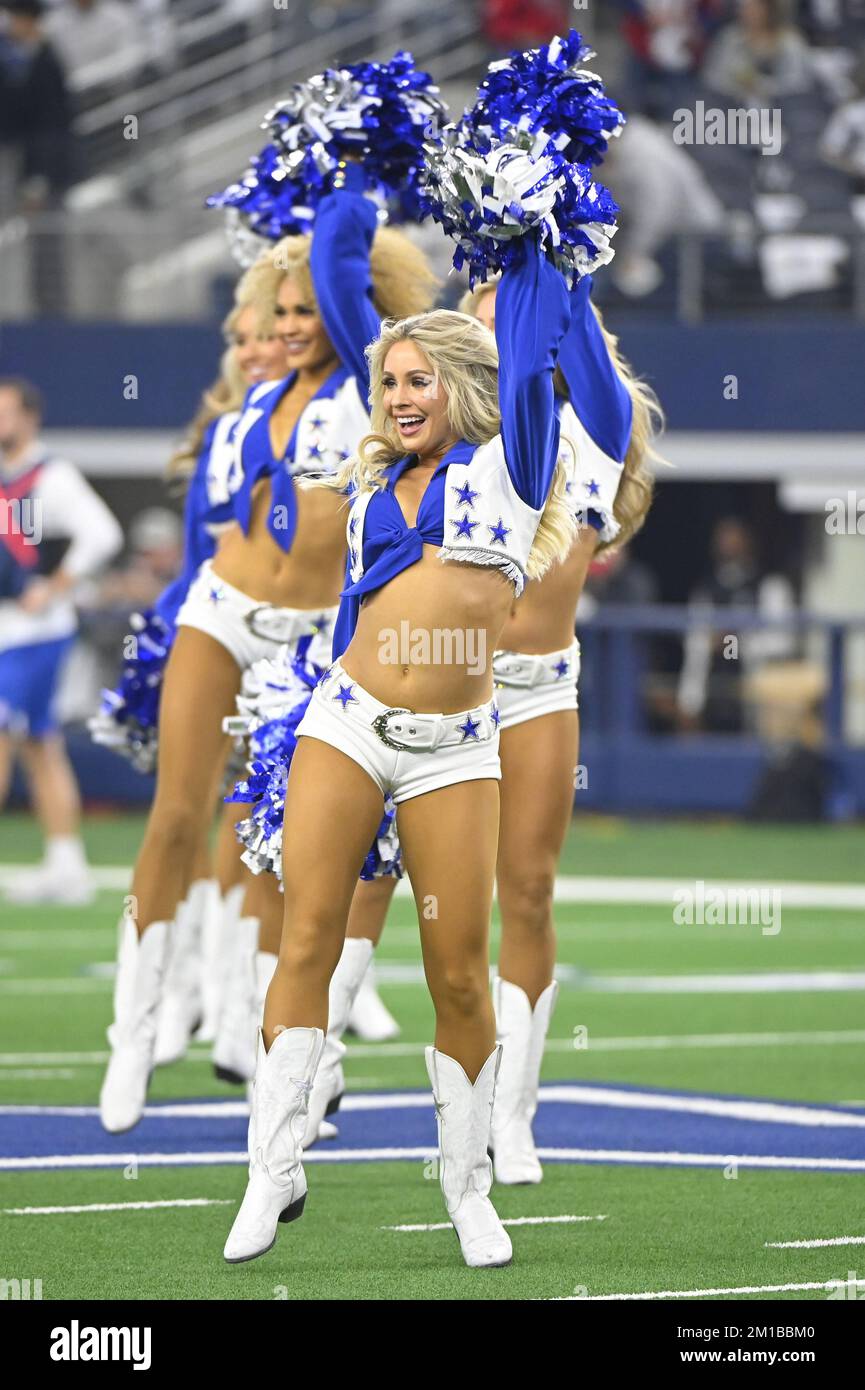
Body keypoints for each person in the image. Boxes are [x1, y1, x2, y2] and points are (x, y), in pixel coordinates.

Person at [223, 235, 577, 1270]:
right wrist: (344, 185)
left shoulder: (513, 461)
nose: (398, 395)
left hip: (456, 750)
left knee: (458, 975)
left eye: (419, 379)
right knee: (307, 939)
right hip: (347, 722)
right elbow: (339, 283)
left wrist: (530, 230)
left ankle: (465, 1188)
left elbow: (536, 339)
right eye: (387, 381)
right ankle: (271, 1165)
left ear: (466, 385)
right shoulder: (375, 473)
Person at [98, 163, 436, 1134]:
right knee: (175, 820)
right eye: (274, 309)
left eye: (304, 308)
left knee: (290, 855)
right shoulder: (254, 398)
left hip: (312, 648)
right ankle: (134, 1030)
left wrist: (351, 164)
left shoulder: (378, 382)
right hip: (222, 614)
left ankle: (277, 1049)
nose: (288, 325)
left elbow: (338, 254)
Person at [458, 273, 661, 1184]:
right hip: (435, 691)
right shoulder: (448, 432)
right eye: (486, 317)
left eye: (518, 311)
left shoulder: (594, 430)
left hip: (536, 686)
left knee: (527, 891)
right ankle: (309, 1076)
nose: (505, 326)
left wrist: (548, 246)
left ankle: (514, 1113)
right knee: (385, 892)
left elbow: (573, 335)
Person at [0, 376, 122, 903]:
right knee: (41, 745)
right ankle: (66, 860)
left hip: (34, 633)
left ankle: (66, 861)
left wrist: (54, 587)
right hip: (7, 629)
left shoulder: (51, 475)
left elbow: (103, 534)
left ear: (29, 417)